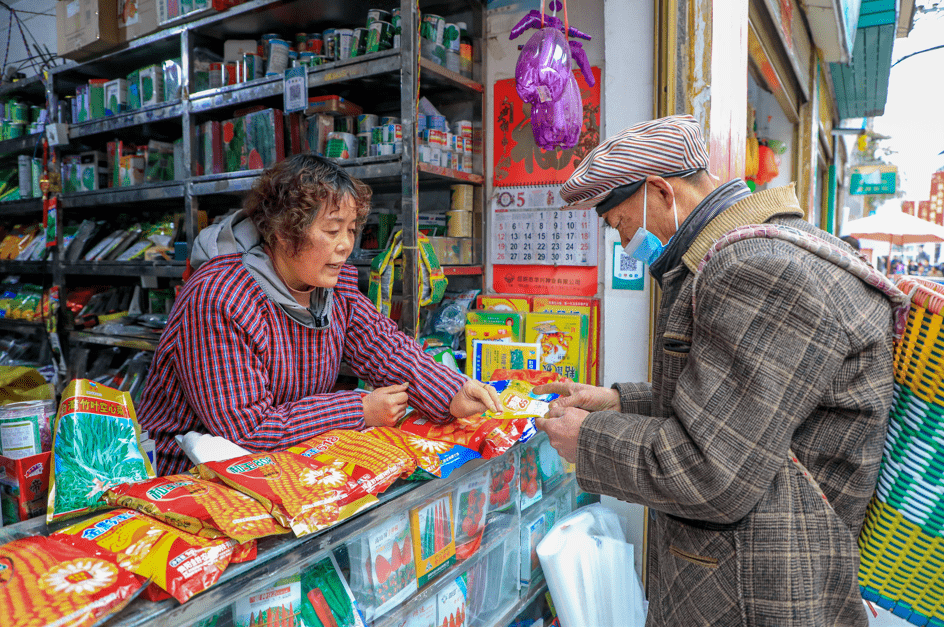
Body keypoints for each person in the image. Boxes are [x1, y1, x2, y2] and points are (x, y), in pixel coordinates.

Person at [536, 115, 898, 626]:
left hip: (757, 593)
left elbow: (713, 471)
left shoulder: (759, 267)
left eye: (621, 224)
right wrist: (620, 402)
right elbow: (743, 409)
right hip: (764, 572)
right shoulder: (766, 247)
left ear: (661, 191)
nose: (625, 245)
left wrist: (589, 440)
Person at [139, 154, 501, 476]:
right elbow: (247, 431)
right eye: (331, 230)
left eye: (351, 229)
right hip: (188, 479)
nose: (345, 244)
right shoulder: (219, 297)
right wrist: (359, 410)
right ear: (283, 232)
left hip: (283, 466)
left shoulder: (332, 284)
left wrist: (450, 390)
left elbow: (382, 346)